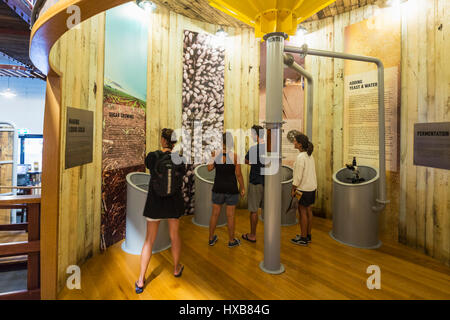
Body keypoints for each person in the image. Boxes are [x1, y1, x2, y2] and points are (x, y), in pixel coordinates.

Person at [135, 128, 186, 294]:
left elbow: (148, 166)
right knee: (175, 235)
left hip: (155, 202)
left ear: (164, 141)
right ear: (174, 142)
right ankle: (177, 268)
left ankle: (141, 280)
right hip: (174, 202)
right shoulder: (180, 159)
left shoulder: (152, 156)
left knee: (149, 239)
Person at [207, 132, 245, 248]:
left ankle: (211, 238)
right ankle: (231, 240)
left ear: (221, 142)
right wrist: (242, 187)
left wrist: (212, 157)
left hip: (218, 188)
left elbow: (209, 168)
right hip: (231, 189)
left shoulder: (216, 154)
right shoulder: (235, 156)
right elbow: (238, 174)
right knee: (231, 216)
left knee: (214, 215)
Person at [291, 133, 317, 246]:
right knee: (308, 211)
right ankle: (308, 235)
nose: (294, 143)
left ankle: (303, 238)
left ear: (300, 144)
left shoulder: (301, 157)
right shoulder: (309, 155)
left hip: (303, 189)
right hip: (311, 188)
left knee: (302, 213)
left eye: (295, 141)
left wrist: (293, 189)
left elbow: (298, 176)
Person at [242, 125, 265, 243]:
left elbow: (246, 160)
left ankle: (252, 235)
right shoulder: (269, 149)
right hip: (268, 184)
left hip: (256, 182)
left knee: (254, 210)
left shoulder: (253, 149)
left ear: (256, 135)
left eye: (252, 134)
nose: (251, 136)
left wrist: (254, 164)